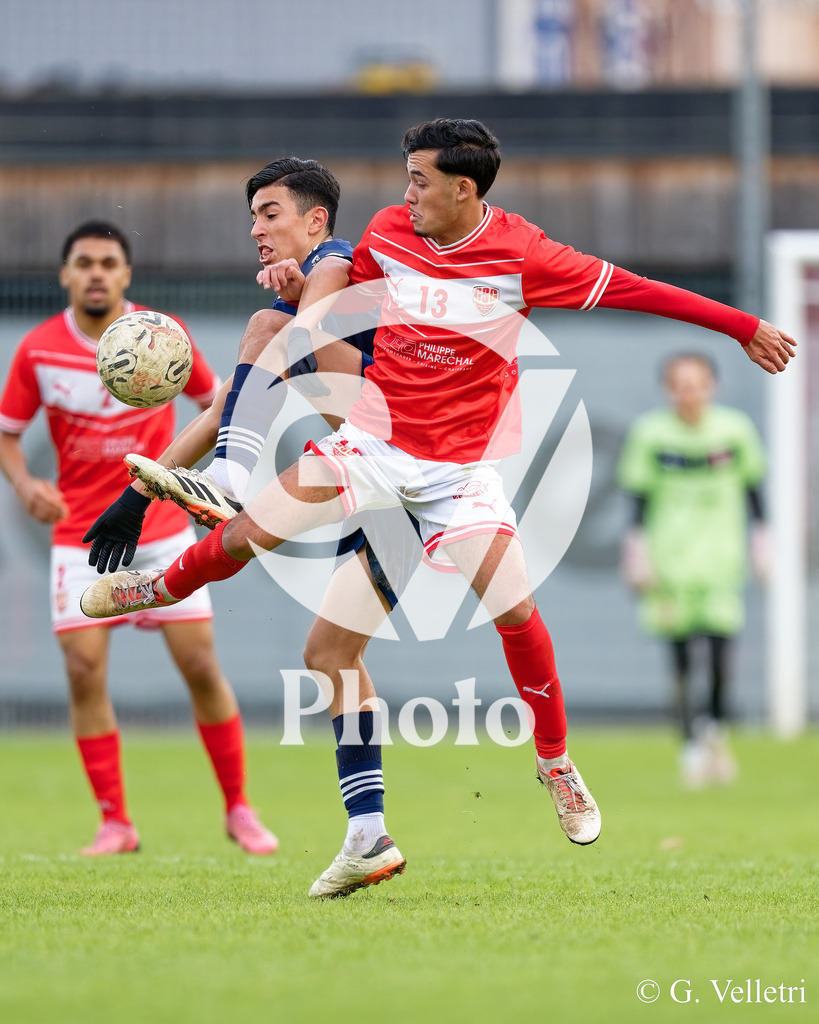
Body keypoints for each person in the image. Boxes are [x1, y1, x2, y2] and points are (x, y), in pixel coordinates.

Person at [80, 118, 795, 900]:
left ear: (464, 187)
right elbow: (313, 312)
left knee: (514, 610)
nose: (405, 192)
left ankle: (554, 763)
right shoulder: (383, 236)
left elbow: (636, 288)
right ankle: (362, 833)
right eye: (405, 176)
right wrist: (301, 300)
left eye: (419, 179)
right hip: (376, 448)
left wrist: (743, 326)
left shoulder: (524, 254)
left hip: (460, 473)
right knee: (305, 620)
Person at [0, 220, 278, 856]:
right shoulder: (39, 350)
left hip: (159, 531)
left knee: (201, 666)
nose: (96, 272)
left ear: (126, 274)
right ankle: (115, 822)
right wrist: (24, 485)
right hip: (80, 536)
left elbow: (224, 403)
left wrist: (220, 478)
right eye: (84, 262)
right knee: (83, 671)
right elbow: (8, 433)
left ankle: (239, 808)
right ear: (66, 274)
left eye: (108, 262)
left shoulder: (162, 337)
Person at [617, 352, 768, 788]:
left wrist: (761, 537)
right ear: (668, 388)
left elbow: (754, 487)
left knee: (722, 652)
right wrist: (637, 548)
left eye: (697, 382)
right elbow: (638, 499)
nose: (689, 391)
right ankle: (689, 746)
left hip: (721, 558)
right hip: (670, 561)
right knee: (680, 655)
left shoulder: (734, 431)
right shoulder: (651, 434)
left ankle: (715, 729)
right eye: (680, 383)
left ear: (712, 385)